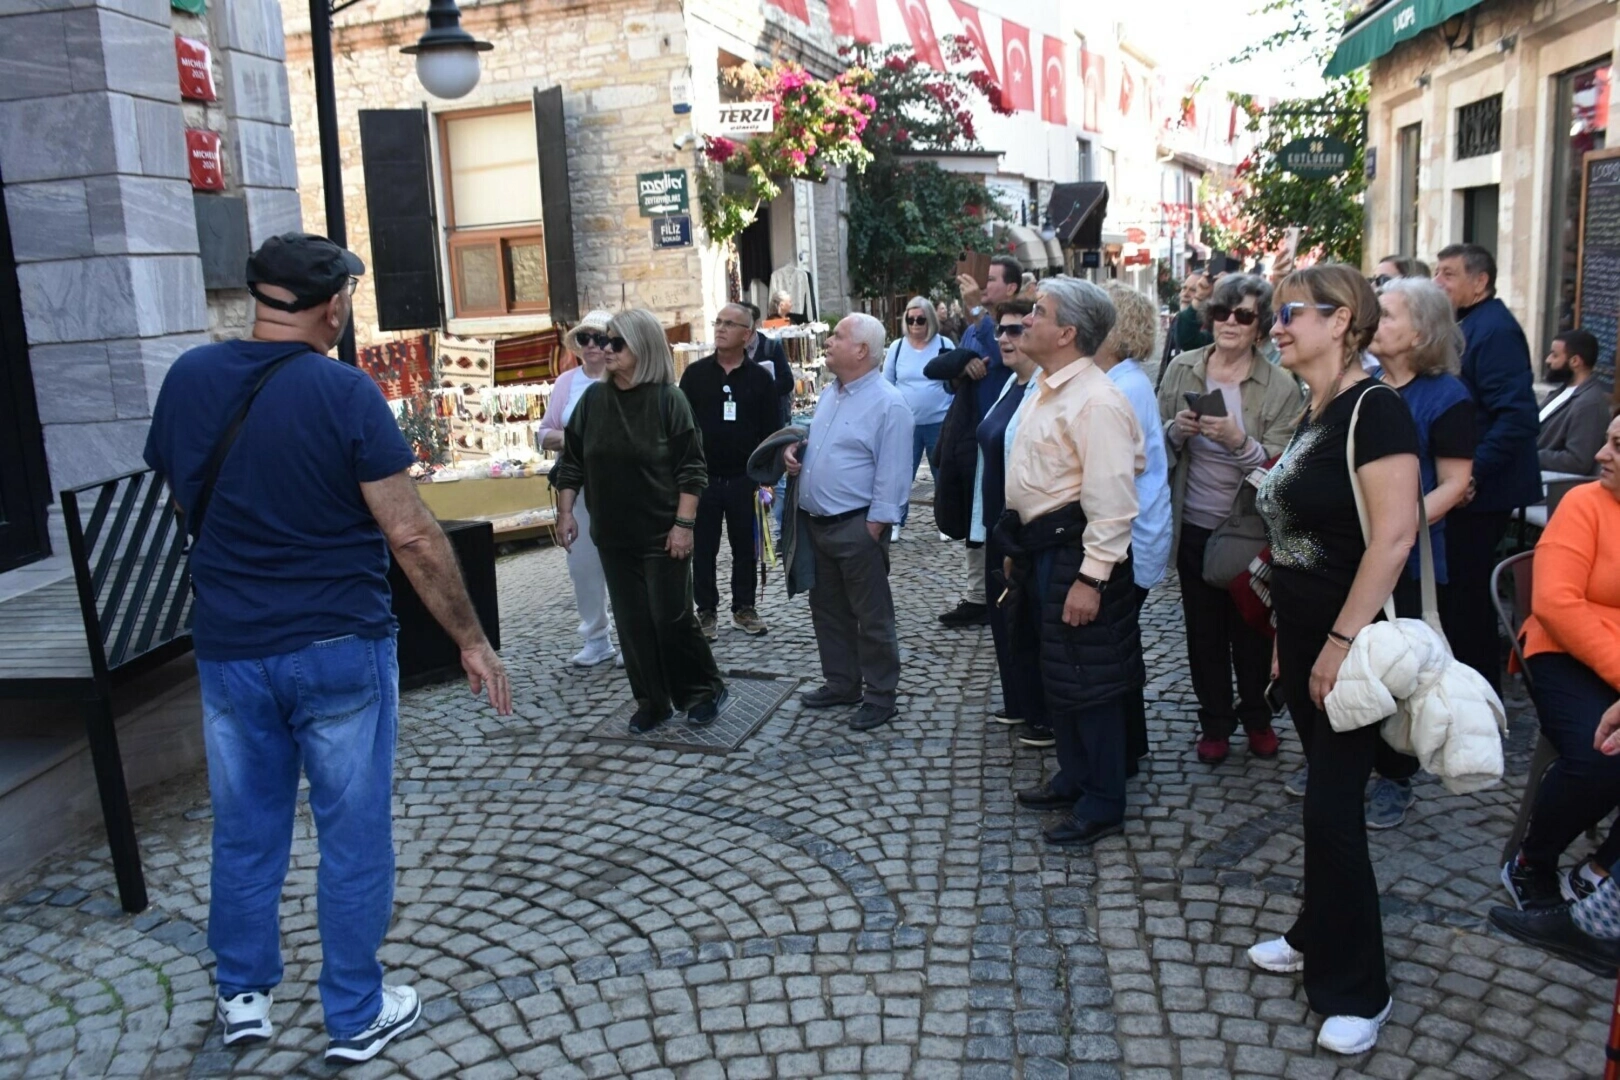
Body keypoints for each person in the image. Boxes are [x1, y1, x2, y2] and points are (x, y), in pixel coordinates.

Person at [143, 232, 513, 1065]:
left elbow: (184, 497)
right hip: (338, 642)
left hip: (232, 646)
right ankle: (354, 1011)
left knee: (245, 827)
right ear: (334, 306)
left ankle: (243, 995)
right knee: (352, 832)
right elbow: (411, 534)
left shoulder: (188, 378)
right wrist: (471, 640)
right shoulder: (344, 391)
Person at [1249, 263, 1421, 1056]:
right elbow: (1292, 537)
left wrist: (1340, 643)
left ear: (1342, 318)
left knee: (1332, 810)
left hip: (1350, 640)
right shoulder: (1313, 409)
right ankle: (1315, 930)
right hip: (1305, 632)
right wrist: (1285, 639)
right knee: (1324, 797)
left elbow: (1394, 537)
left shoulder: (1376, 411)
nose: (1276, 325)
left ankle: (1361, 989)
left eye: (1291, 312)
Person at [1002, 277, 1146, 849]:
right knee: (1059, 672)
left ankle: (1104, 801)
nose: (1026, 320)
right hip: (1042, 549)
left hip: (1076, 554)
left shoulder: (1096, 401)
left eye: (1038, 312)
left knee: (1090, 679)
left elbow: (1113, 503)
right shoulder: (1048, 387)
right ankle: (1075, 775)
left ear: (1066, 333)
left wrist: (1092, 578)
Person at [554, 309, 728, 733]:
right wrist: (565, 512)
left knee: (670, 617)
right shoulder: (593, 401)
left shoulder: (669, 400)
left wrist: (683, 525)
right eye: (604, 340)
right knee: (632, 623)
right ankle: (652, 701)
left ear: (643, 347)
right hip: (613, 535)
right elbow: (572, 461)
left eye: (617, 342)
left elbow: (692, 469)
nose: (605, 349)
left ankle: (702, 690)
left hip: (662, 532)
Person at [1157, 274, 1301, 766]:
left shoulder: (1280, 385)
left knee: (1253, 631)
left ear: (1260, 325)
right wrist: (1176, 431)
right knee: (1204, 634)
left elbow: (1284, 467)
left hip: (1249, 528)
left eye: (1243, 315)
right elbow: (1154, 442)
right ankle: (1215, 722)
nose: (1230, 323)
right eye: (1222, 312)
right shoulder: (1183, 368)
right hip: (1194, 523)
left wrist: (1239, 443)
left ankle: (1258, 718)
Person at [1361, 277, 1476, 829]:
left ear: (1421, 333)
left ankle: (1395, 776)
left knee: (1398, 670)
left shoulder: (1447, 398)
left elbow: (1455, 484)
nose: (1374, 323)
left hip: (1408, 559)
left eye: (1387, 315)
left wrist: (1395, 525)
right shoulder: (1367, 387)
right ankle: (1346, 759)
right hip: (1356, 552)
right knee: (1352, 660)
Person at [1500, 414, 1620, 911]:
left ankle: (1602, 868)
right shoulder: (1584, 503)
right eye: (1607, 439)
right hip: (1562, 652)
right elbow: (1555, 604)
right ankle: (1531, 861)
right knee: (1602, 757)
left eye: (1617, 445)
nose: (1600, 454)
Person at [784, 313, 914, 732]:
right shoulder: (831, 393)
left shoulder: (889, 403)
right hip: (817, 525)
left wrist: (873, 528)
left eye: (837, 336)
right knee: (827, 610)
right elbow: (825, 443)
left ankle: (880, 696)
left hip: (857, 527)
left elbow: (894, 474)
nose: (828, 341)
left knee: (872, 616)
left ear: (861, 350)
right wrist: (797, 452)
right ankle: (842, 683)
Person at [1433, 243, 1541, 693]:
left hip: (1481, 494)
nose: (1438, 282)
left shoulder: (1494, 330)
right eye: (1436, 272)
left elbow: (1517, 415)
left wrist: (1471, 475)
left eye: (1449, 274)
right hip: (1464, 487)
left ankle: (1477, 698)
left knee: (1467, 602)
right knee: (1456, 599)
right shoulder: (1466, 324)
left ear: (1480, 282)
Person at [1098, 283, 1174, 776]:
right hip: (1134, 531)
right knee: (1117, 641)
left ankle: (1121, 749)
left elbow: (1116, 473)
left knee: (1113, 644)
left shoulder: (1123, 387)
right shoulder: (1122, 381)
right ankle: (1129, 743)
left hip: (1130, 536)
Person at [680, 303, 781, 639]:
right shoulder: (695, 375)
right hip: (703, 478)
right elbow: (682, 429)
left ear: (747, 334)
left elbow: (772, 433)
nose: (721, 328)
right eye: (718, 322)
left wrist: (767, 481)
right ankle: (705, 611)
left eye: (729, 324)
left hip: (745, 478)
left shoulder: (760, 379)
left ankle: (744, 608)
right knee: (703, 548)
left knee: (745, 547)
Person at [972, 301, 1046, 744]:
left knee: (1027, 619)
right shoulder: (1010, 384)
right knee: (1003, 617)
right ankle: (1018, 700)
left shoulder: (1042, 389)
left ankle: (1041, 711)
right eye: (1001, 330)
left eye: (1016, 331)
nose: (1004, 338)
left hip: (1022, 527)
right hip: (995, 523)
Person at [941, 254, 1023, 627]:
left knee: (999, 516)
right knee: (973, 517)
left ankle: (1004, 592)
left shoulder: (1015, 324)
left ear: (1011, 287)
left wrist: (976, 309)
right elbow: (957, 372)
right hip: (971, 433)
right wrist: (961, 370)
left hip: (1004, 436)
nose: (982, 284)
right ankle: (979, 595)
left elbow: (1004, 356)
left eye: (991, 279)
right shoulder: (975, 328)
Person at [541, 310, 621, 668]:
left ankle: (632, 636)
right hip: (578, 486)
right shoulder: (566, 382)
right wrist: (579, 438)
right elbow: (545, 432)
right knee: (584, 565)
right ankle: (596, 638)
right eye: (585, 338)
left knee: (622, 561)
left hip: (619, 485)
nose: (592, 345)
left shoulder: (623, 379)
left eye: (600, 338)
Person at [883, 295, 956, 538]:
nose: (915, 324)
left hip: (939, 422)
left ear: (930, 320)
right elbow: (887, 384)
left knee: (942, 476)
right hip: (906, 424)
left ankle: (946, 523)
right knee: (901, 475)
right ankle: (895, 521)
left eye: (920, 319)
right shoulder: (897, 348)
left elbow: (956, 381)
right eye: (910, 319)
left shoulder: (944, 344)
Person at [1538, 328, 1609, 477]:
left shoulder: (1589, 403)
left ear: (1575, 361)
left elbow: (1577, 461)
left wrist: (1527, 454)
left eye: (1554, 355)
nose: (1548, 360)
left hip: (1548, 482)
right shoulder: (1562, 391)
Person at [743, 301, 795, 426]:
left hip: (767, 420)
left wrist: (763, 387)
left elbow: (787, 382)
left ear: (756, 323)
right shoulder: (730, 349)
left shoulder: (770, 347)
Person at [1168, 271, 1214, 358]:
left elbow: (1187, 341)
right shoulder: (1177, 319)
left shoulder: (1211, 327)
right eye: (1184, 288)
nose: (1185, 294)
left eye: (1194, 290)